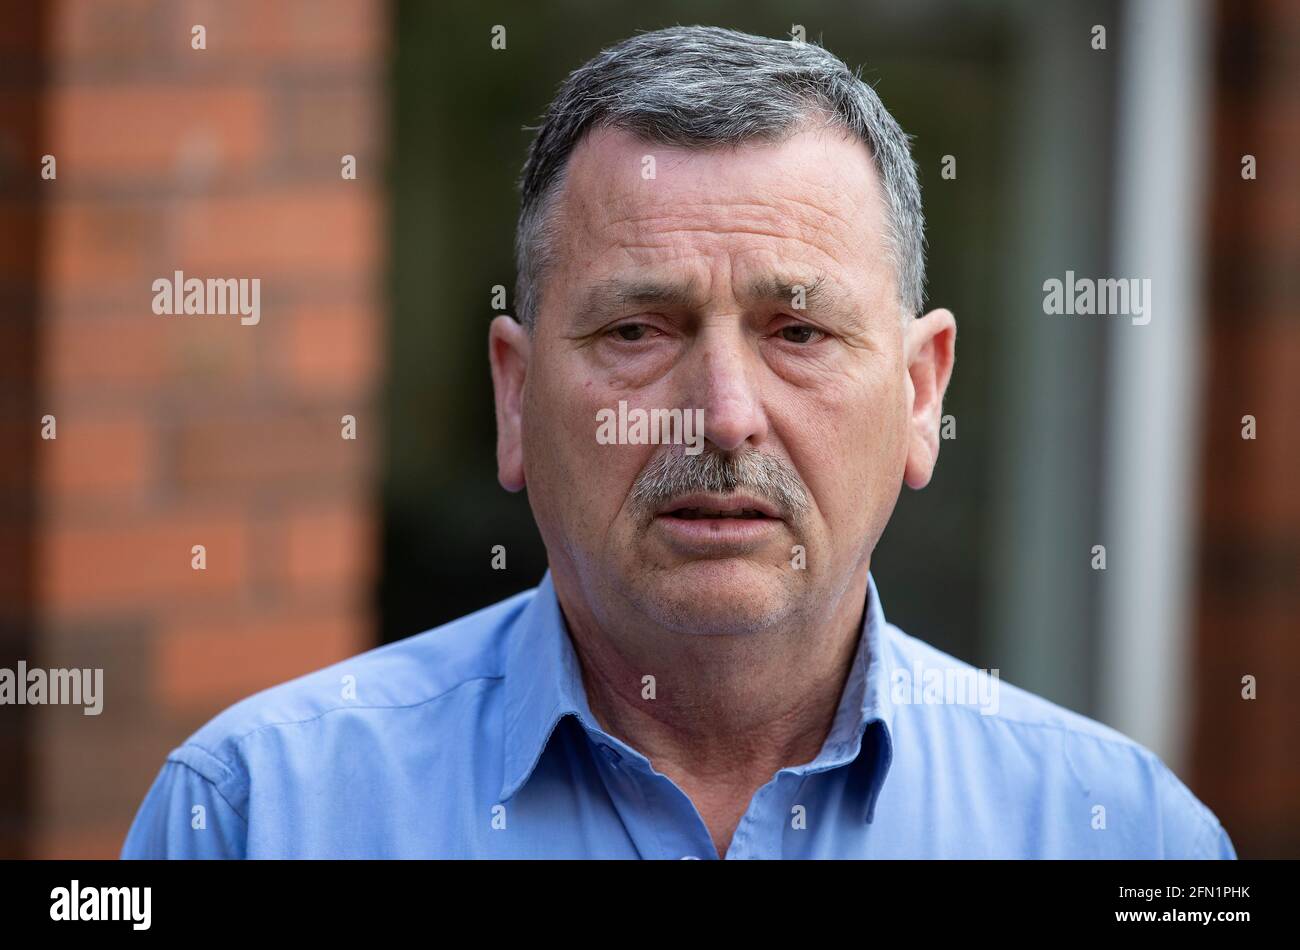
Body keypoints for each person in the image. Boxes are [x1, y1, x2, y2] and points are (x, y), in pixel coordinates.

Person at [122, 25, 1234, 859]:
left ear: (918, 393)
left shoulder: (1126, 837)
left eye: (798, 331)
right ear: (515, 396)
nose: (723, 414)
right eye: (637, 331)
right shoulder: (260, 814)